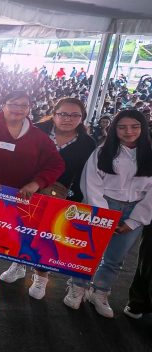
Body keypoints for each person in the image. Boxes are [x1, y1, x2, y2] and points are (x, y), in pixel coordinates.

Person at [0, 91, 64, 275]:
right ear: (3, 105)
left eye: (23, 105)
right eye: (13, 104)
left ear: (29, 109)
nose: (18, 109)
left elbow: (56, 164)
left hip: (10, 200)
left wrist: (36, 183)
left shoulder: (37, 137)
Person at [0, 98, 95, 299]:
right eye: (63, 114)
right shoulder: (36, 130)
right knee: (23, 229)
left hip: (63, 195)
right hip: (28, 189)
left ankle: (42, 276)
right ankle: (18, 264)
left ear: (82, 118)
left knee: (47, 236)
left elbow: (85, 175)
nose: (68, 119)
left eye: (74, 115)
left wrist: (76, 199)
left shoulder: (88, 143)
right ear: (54, 113)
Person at [64, 110, 152, 318]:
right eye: (122, 127)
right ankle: (78, 286)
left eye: (134, 126)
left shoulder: (149, 152)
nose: (128, 131)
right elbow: (91, 184)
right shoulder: (103, 151)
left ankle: (100, 292)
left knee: (114, 258)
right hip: (104, 205)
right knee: (89, 251)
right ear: (114, 129)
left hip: (135, 209)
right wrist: (104, 217)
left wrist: (134, 221)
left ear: (143, 128)